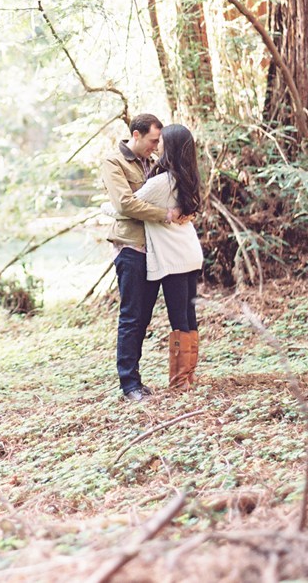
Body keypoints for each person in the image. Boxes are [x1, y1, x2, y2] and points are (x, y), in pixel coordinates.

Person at [99, 113, 178, 401]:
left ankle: (136, 380)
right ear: (136, 134)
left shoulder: (153, 164)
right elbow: (125, 203)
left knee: (144, 317)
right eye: (153, 141)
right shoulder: (114, 163)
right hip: (130, 247)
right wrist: (166, 215)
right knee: (132, 316)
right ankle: (129, 385)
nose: (156, 147)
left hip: (156, 248)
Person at [133, 124, 204, 390]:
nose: (157, 144)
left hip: (173, 258)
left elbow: (125, 206)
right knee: (189, 312)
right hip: (189, 252)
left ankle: (179, 381)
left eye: (161, 141)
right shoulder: (187, 177)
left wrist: (105, 206)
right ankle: (189, 375)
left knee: (179, 318)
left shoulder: (161, 182)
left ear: (171, 146)